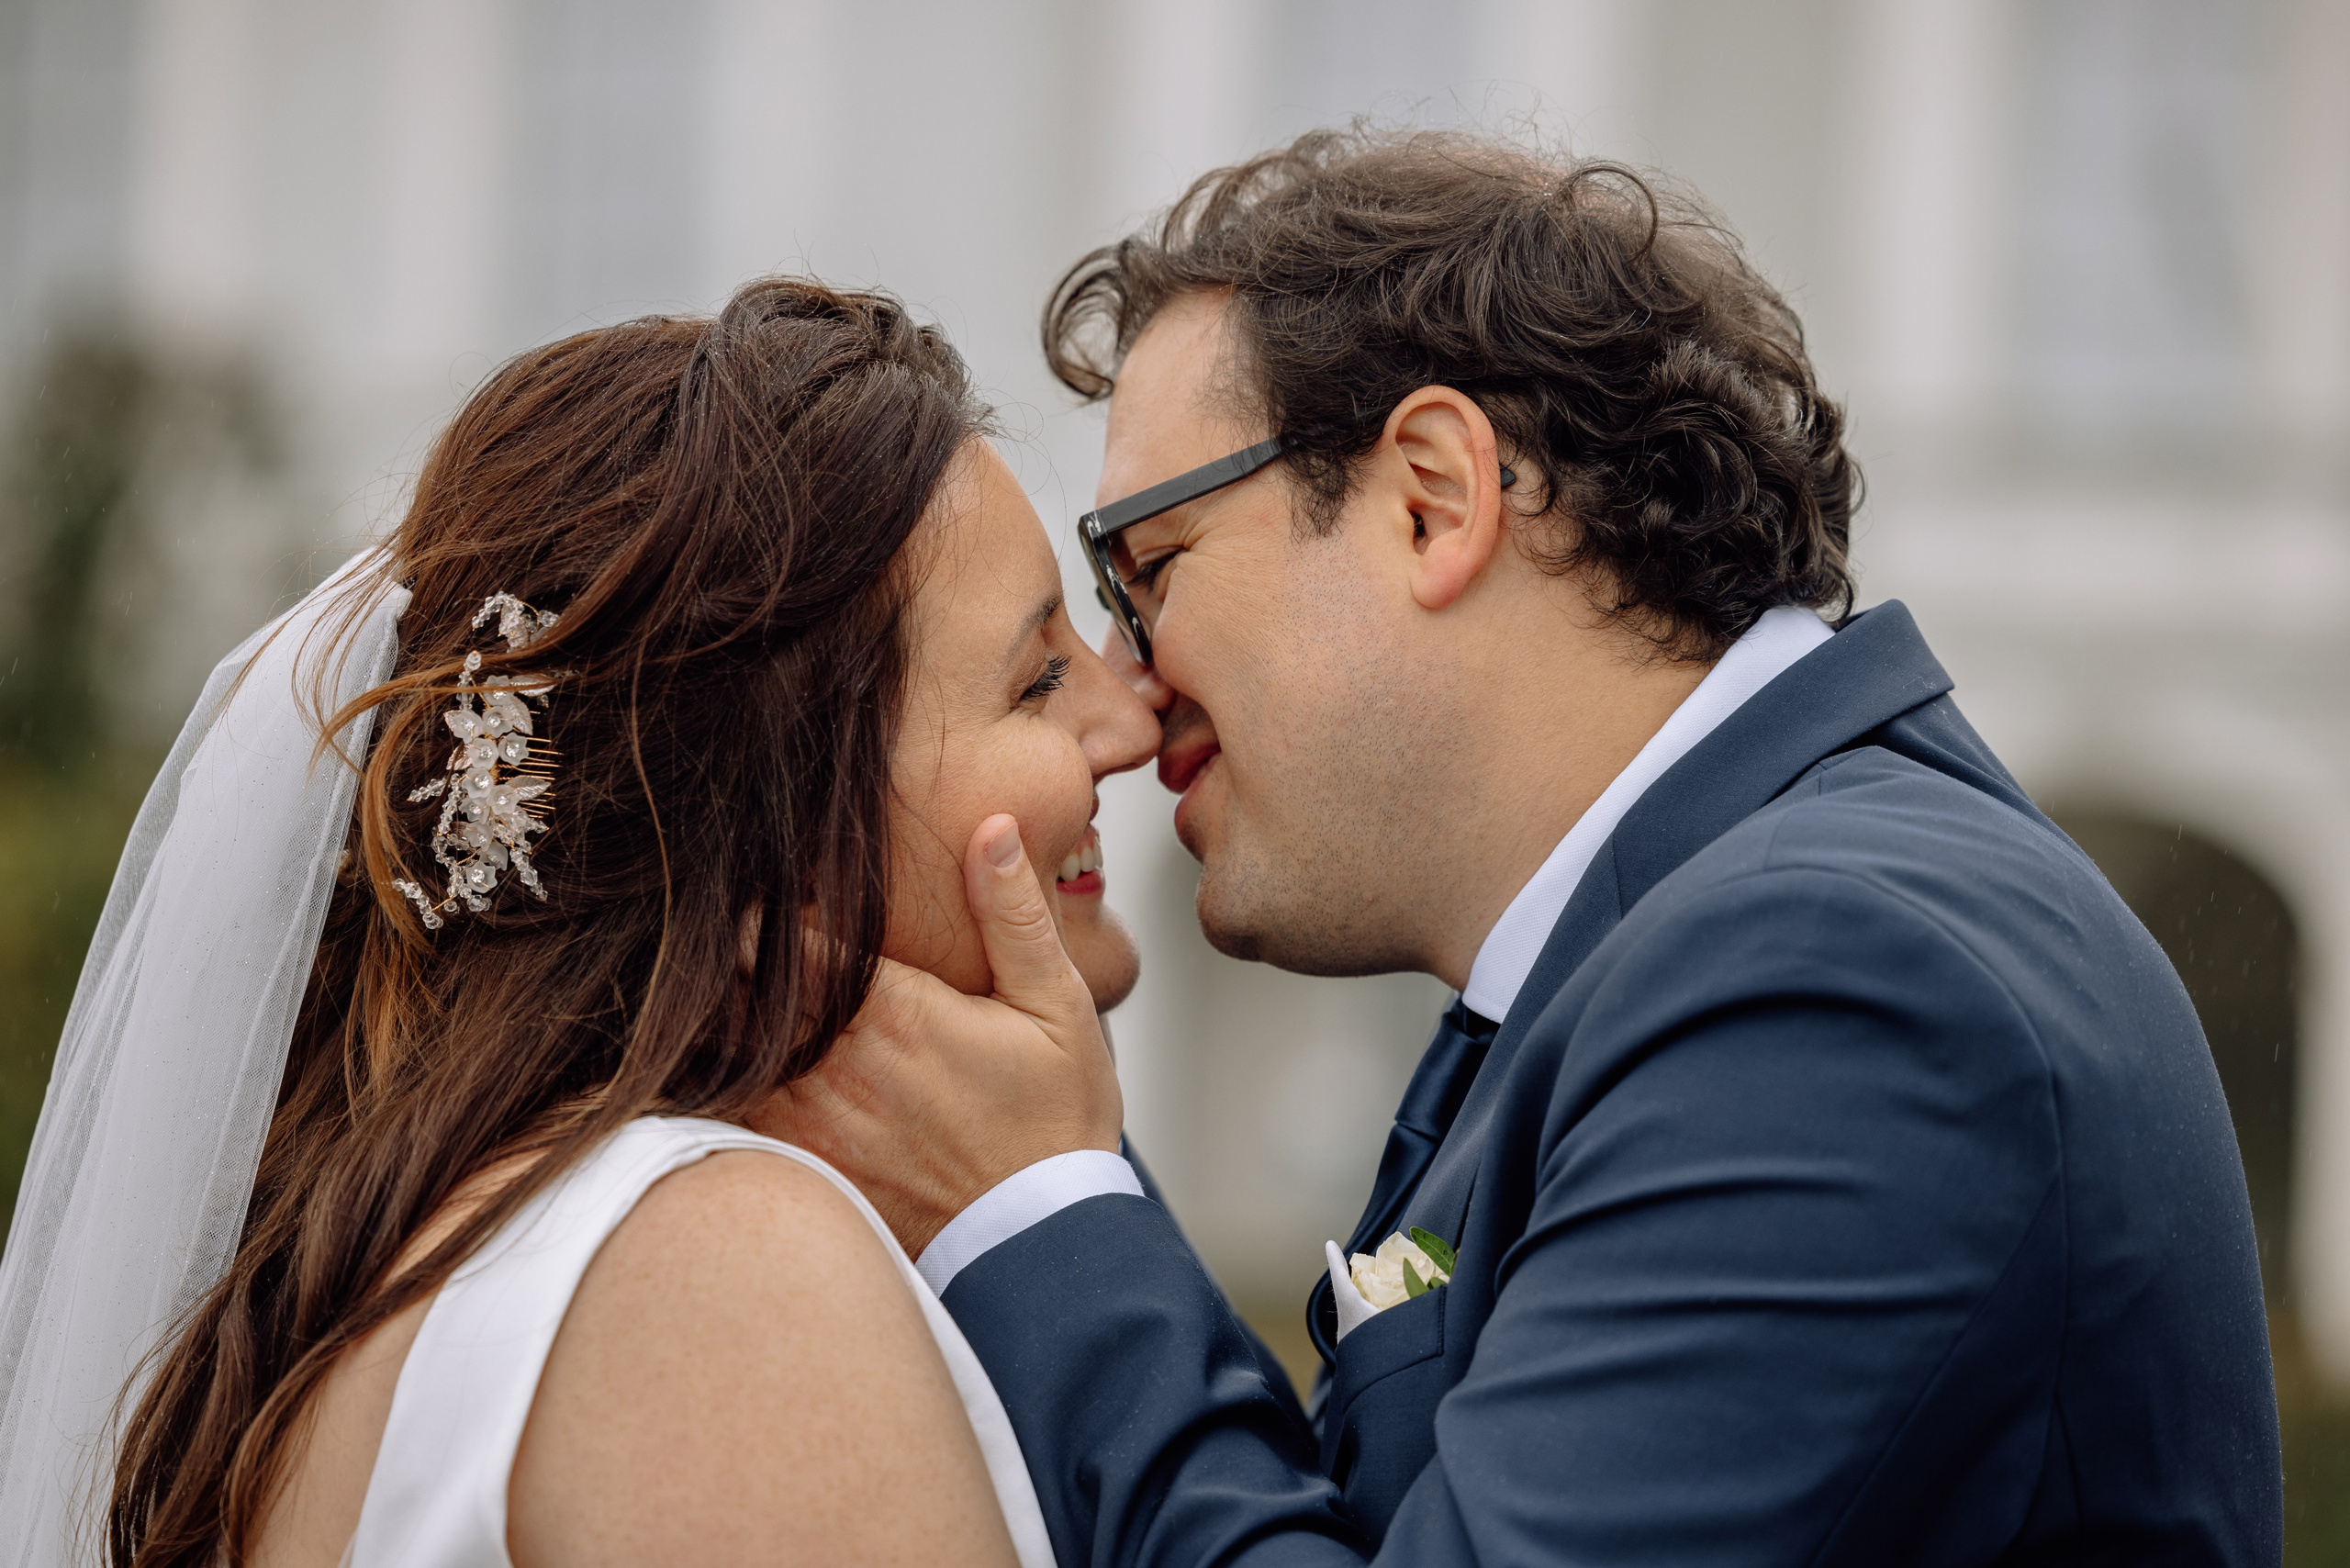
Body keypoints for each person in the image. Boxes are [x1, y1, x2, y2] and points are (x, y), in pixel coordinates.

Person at [769, 129, 2286, 1564]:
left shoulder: (1841, 984)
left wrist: (1039, 1211)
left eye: (1145, 568)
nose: (1126, 683)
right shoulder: (1681, 945)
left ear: (1434, 498)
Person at [0, 276, 1159, 1567]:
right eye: (1040, 675)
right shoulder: (711, 1277)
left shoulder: (429, 1258)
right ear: (765, 827)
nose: (1127, 720)